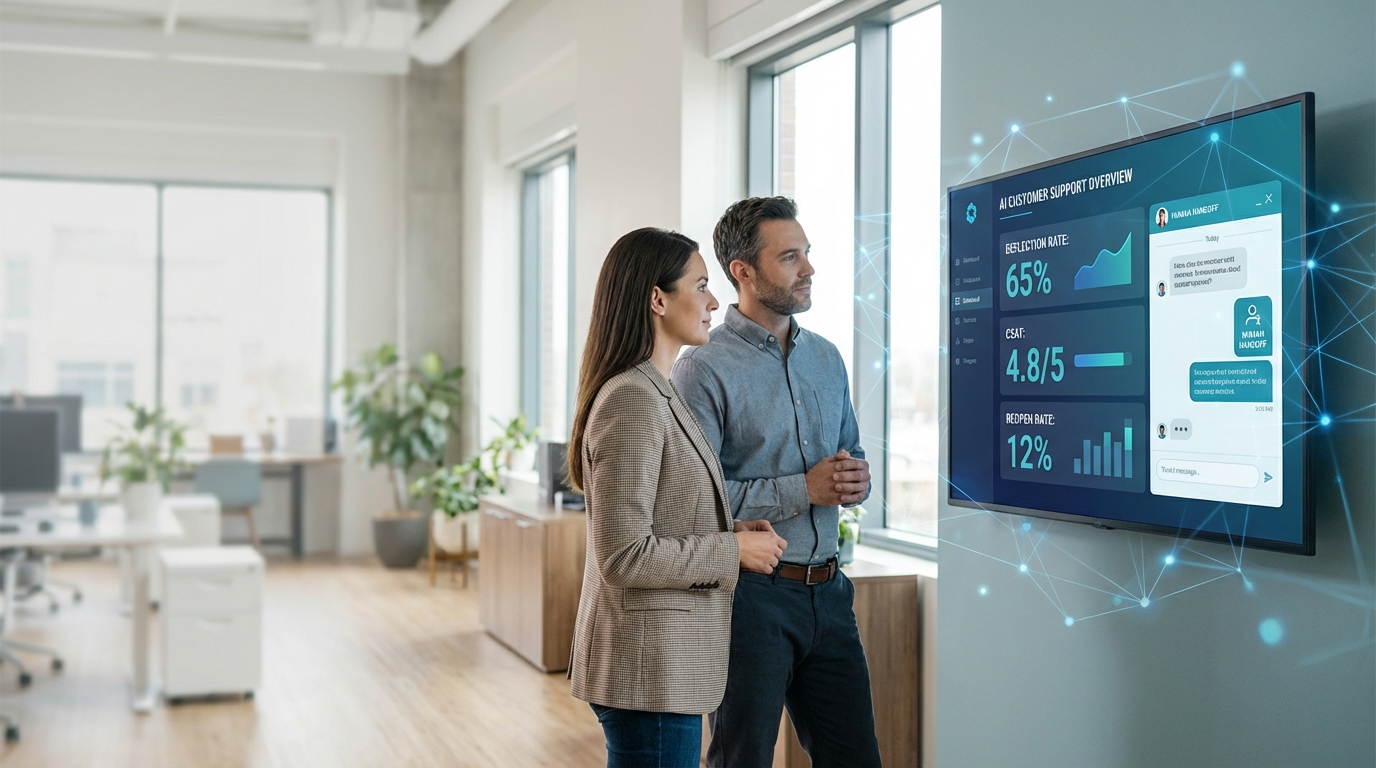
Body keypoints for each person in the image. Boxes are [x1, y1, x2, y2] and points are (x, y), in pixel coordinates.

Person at [671, 198, 883, 767]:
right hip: (751, 601)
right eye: (789, 257)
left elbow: (850, 453)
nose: (808, 269)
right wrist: (803, 489)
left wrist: (855, 478)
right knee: (742, 760)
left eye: (806, 253)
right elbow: (697, 501)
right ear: (743, 271)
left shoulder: (828, 358)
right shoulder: (702, 365)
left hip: (831, 595)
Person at [567, 227, 789, 768]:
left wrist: (729, 530)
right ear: (657, 298)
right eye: (702, 285)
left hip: (660, 669)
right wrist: (731, 553)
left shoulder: (657, 389)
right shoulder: (633, 400)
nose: (715, 302)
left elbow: (658, 515)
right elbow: (625, 557)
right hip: (649, 670)